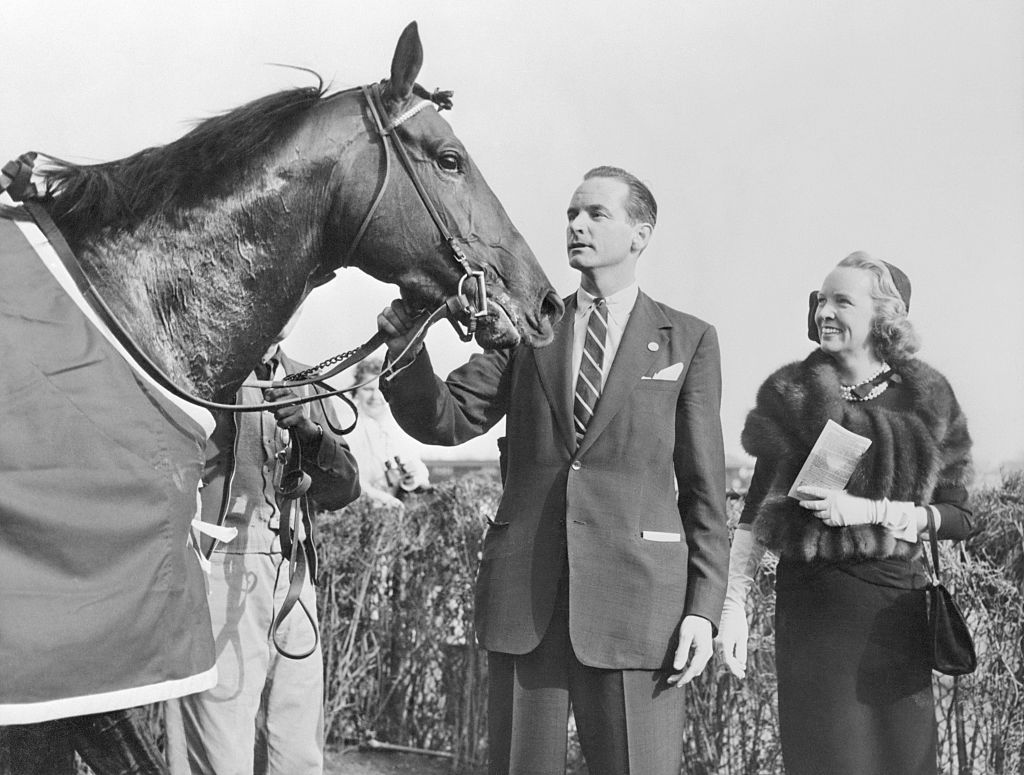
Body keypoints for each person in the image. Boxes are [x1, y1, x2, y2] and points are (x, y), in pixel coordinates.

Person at [376, 166, 730, 774]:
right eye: (571, 213)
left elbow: (704, 492)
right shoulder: (528, 329)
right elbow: (447, 420)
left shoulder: (688, 341)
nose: (577, 225)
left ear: (640, 234)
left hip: (639, 607)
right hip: (527, 602)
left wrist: (704, 607)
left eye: (596, 214)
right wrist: (408, 349)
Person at [715, 252, 974, 775]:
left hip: (893, 614)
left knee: (903, 762)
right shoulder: (793, 394)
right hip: (813, 613)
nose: (824, 312)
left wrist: (871, 510)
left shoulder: (928, 398)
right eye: (821, 300)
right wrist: (732, 604)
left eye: (842, 301)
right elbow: (756, 512)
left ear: (885, 317)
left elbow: (958, 516)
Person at [166, 318, 360, 775]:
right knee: (218, 748)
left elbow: (344, 488)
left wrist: (311, 434)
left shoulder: (308, 380)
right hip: (218, 563)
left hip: (294, 576)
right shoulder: (202, 372)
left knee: (297, 752)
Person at [345, 356, 431, 508]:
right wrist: (382, 498)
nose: (375, 397)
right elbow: (349, 479)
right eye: (367, 389)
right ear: (355, 390)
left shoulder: (402, 426)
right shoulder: (346, 428)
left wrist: (412, 478)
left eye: (380, 389)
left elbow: (418, 469)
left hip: (396, 509)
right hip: (359, 509)